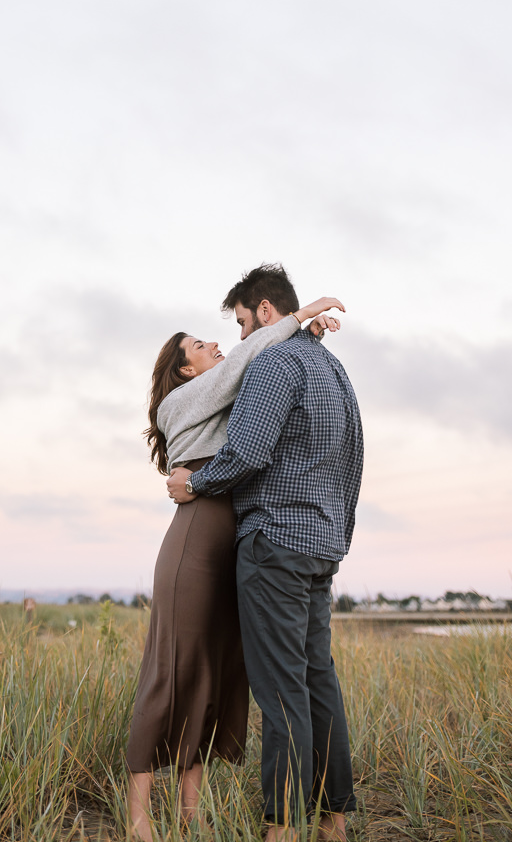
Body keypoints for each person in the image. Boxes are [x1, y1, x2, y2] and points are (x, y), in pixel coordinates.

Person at [126, 290, 345, 842]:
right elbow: (252, 361)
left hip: (237, 545)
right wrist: (300, 316)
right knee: (172, 670)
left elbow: (272, 384)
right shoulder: (182, 401)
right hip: (197, 544)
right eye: (201, 344)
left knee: (216, 675)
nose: (219, 343)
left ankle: (190, 811)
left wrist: (303, 340)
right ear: (184, 368)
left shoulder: (220, 395)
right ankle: (137, 818)